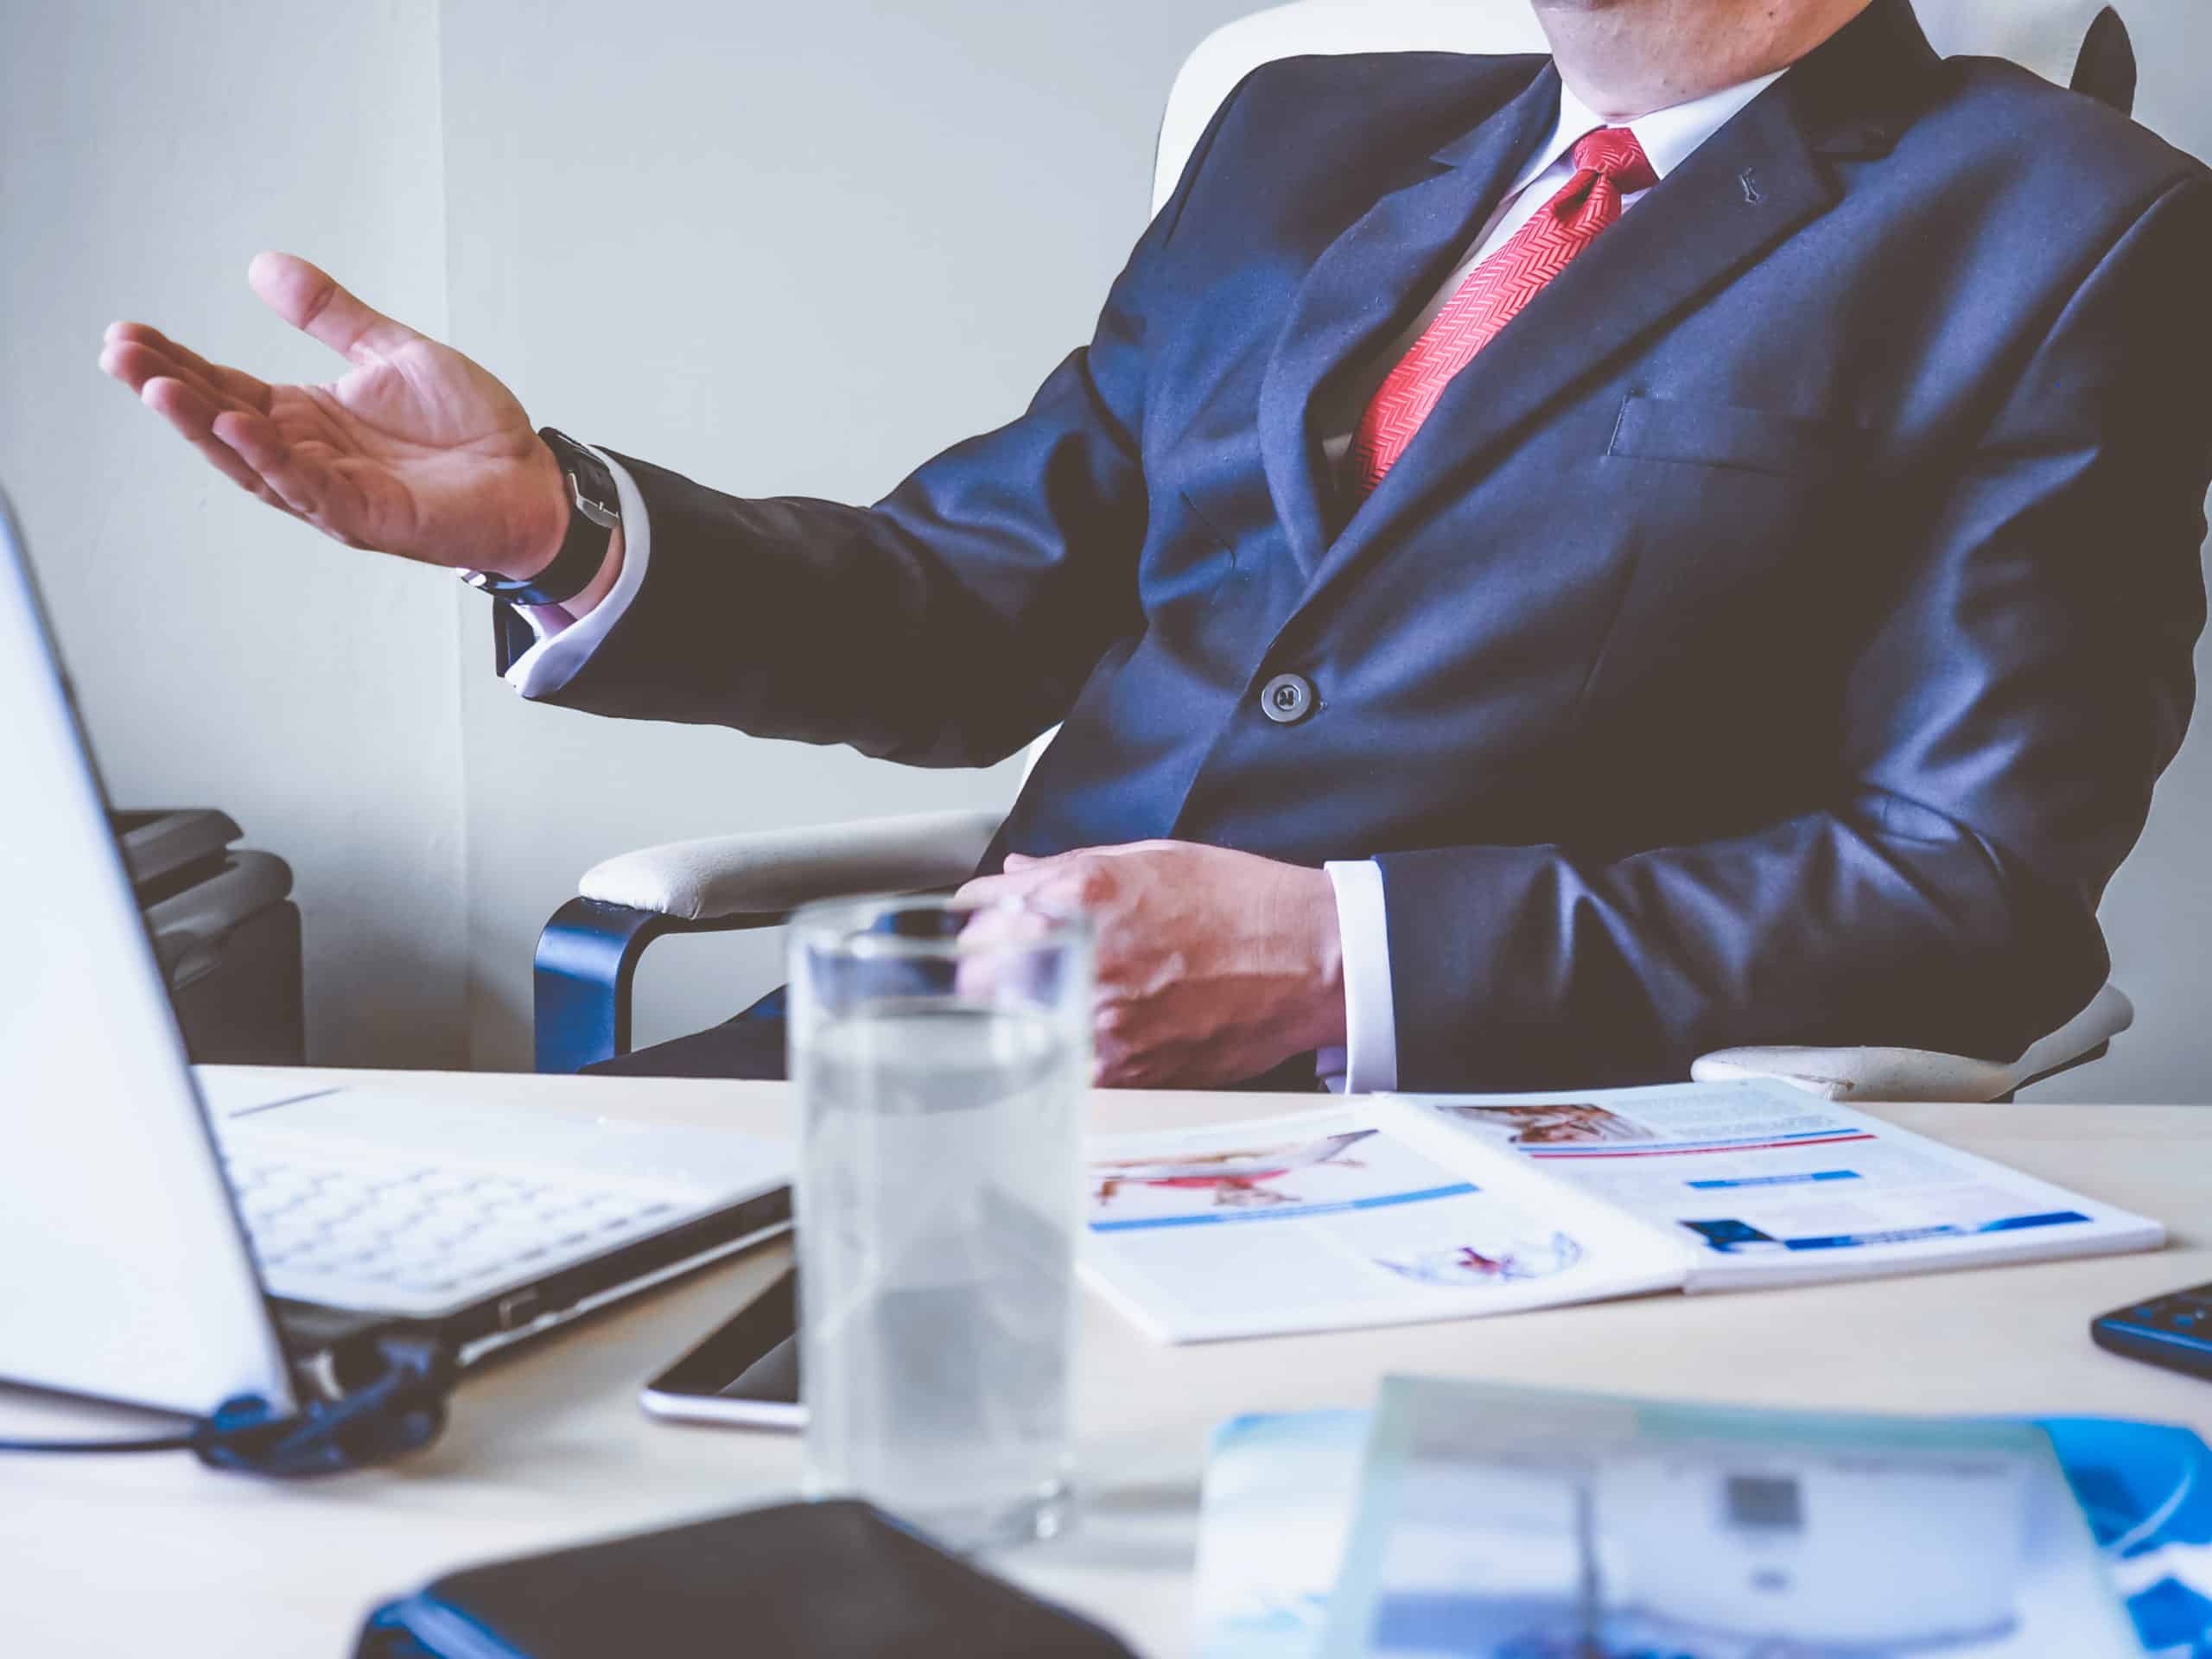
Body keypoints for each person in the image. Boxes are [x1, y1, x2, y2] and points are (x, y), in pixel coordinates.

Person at [99, 0, 2212, 1093]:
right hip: (948, 1067)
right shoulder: (1312, 135)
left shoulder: (2067, 223)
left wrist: (1332, 963)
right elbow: (970, 609)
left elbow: (1971, 888)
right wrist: (564, 525)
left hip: (1478, 1146)